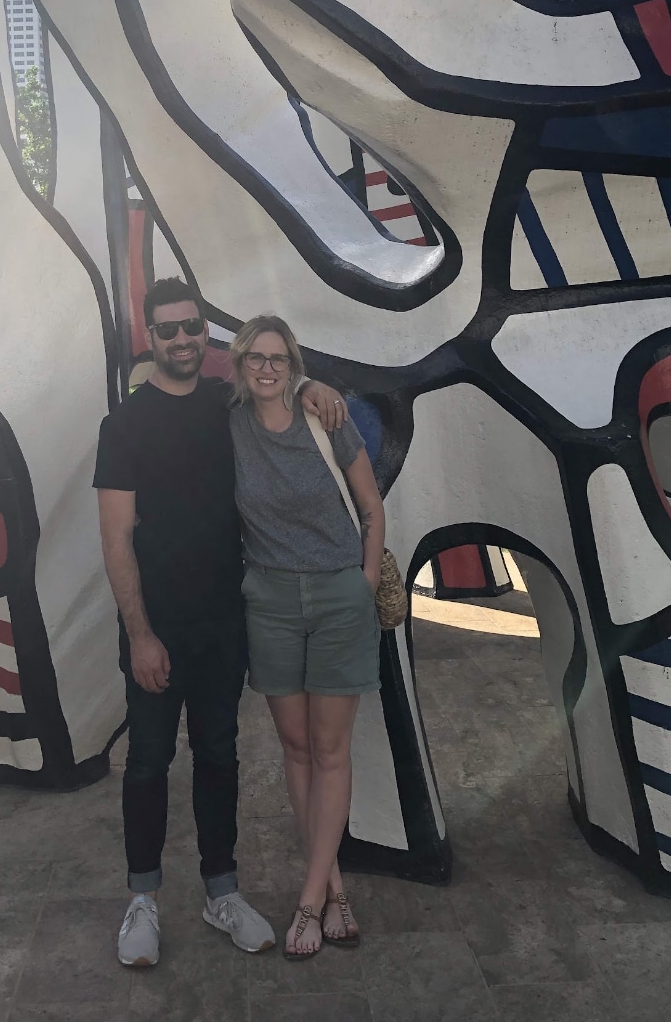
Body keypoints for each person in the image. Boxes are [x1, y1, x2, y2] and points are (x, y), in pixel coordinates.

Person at [94, 277, 346, 968]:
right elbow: (115, 538)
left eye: (191, 327)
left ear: (206, 334)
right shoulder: (124, 425)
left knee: (219, 756)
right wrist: (140, 633)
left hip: (222, 623)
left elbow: (276, 385)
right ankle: (142, 899)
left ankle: (221, 890)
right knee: (147, 762)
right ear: (150, 336)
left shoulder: (224, 404)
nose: (180, 338)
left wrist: (311, 387)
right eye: (167, 328)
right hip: (155, 628)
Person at [229, 313, 385, 960]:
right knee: (294, 746)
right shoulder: (230, 425)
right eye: (255, 358)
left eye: (278, 358)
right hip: (268, 597)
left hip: (337, 593)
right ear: (240, 366)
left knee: (330, 749)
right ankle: (333, 886)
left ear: (293, 365)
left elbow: (372, 508)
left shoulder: (325, 418)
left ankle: (308, 901)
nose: (266, 368)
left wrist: (364, 584)